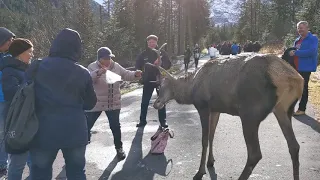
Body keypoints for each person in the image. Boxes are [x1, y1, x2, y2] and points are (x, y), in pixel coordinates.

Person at [27, 28, 97, 179]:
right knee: (77, 172)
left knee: (40, 172)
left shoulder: (37, 66)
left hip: (42, 130)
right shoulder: (83, 72)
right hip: (75, 130)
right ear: (77, 48)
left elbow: (26, 95)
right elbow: (91, 103)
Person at [85, 47, 142, 160]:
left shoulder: (116, 66)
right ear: (99, 59)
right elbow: (87, 80)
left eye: (110, 58)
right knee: (86, 126)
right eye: (105, 58)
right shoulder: (92, 67)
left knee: (115, 127)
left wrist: (135, 74)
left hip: (113, 102)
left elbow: (126, 74)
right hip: (96, 102)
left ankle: (119, 148)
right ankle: (80, 147)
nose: (108, 60)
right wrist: (98, 73)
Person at [0, 38, 33, 179]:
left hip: (29, 119)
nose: (32, 55)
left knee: (34, 161)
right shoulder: (9, 70)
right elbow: (11, 94)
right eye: (29, 52)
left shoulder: (26, 68)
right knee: (18, 162)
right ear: (20, 53)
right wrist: (33, 88)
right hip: (17, 121)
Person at [135, 35, 172, 128]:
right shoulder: (143, 54)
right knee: (144, 102)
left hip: (160, 81)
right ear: (147, 43)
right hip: (148, 81)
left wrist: (161, 63)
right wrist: (139, 72)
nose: (151, 44)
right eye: (150, 42)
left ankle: (163, 122)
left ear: (156, 42)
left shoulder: (162, 53)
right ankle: (142, 121)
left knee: (161, 101)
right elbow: (137, 66)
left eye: (153, 42)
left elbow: (169, 65)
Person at [289, 21, 319, 116]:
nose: (300, 30)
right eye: (298, 28)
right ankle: (291, 108)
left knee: (303, 88)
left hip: (306, 68)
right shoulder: (297, 40)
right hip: (295, 67)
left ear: (307, 28)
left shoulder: (313, 38)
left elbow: (312, 52)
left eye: (301, 28)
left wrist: (296, 53)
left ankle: (302, 109)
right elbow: (294, 50)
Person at [0, 27, 15, 175]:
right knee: (2, 133)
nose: (11, 42)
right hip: (1, 101)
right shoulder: (5, 59)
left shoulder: (8, 57)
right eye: (9, 40)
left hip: (8, 99)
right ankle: (2, 165)